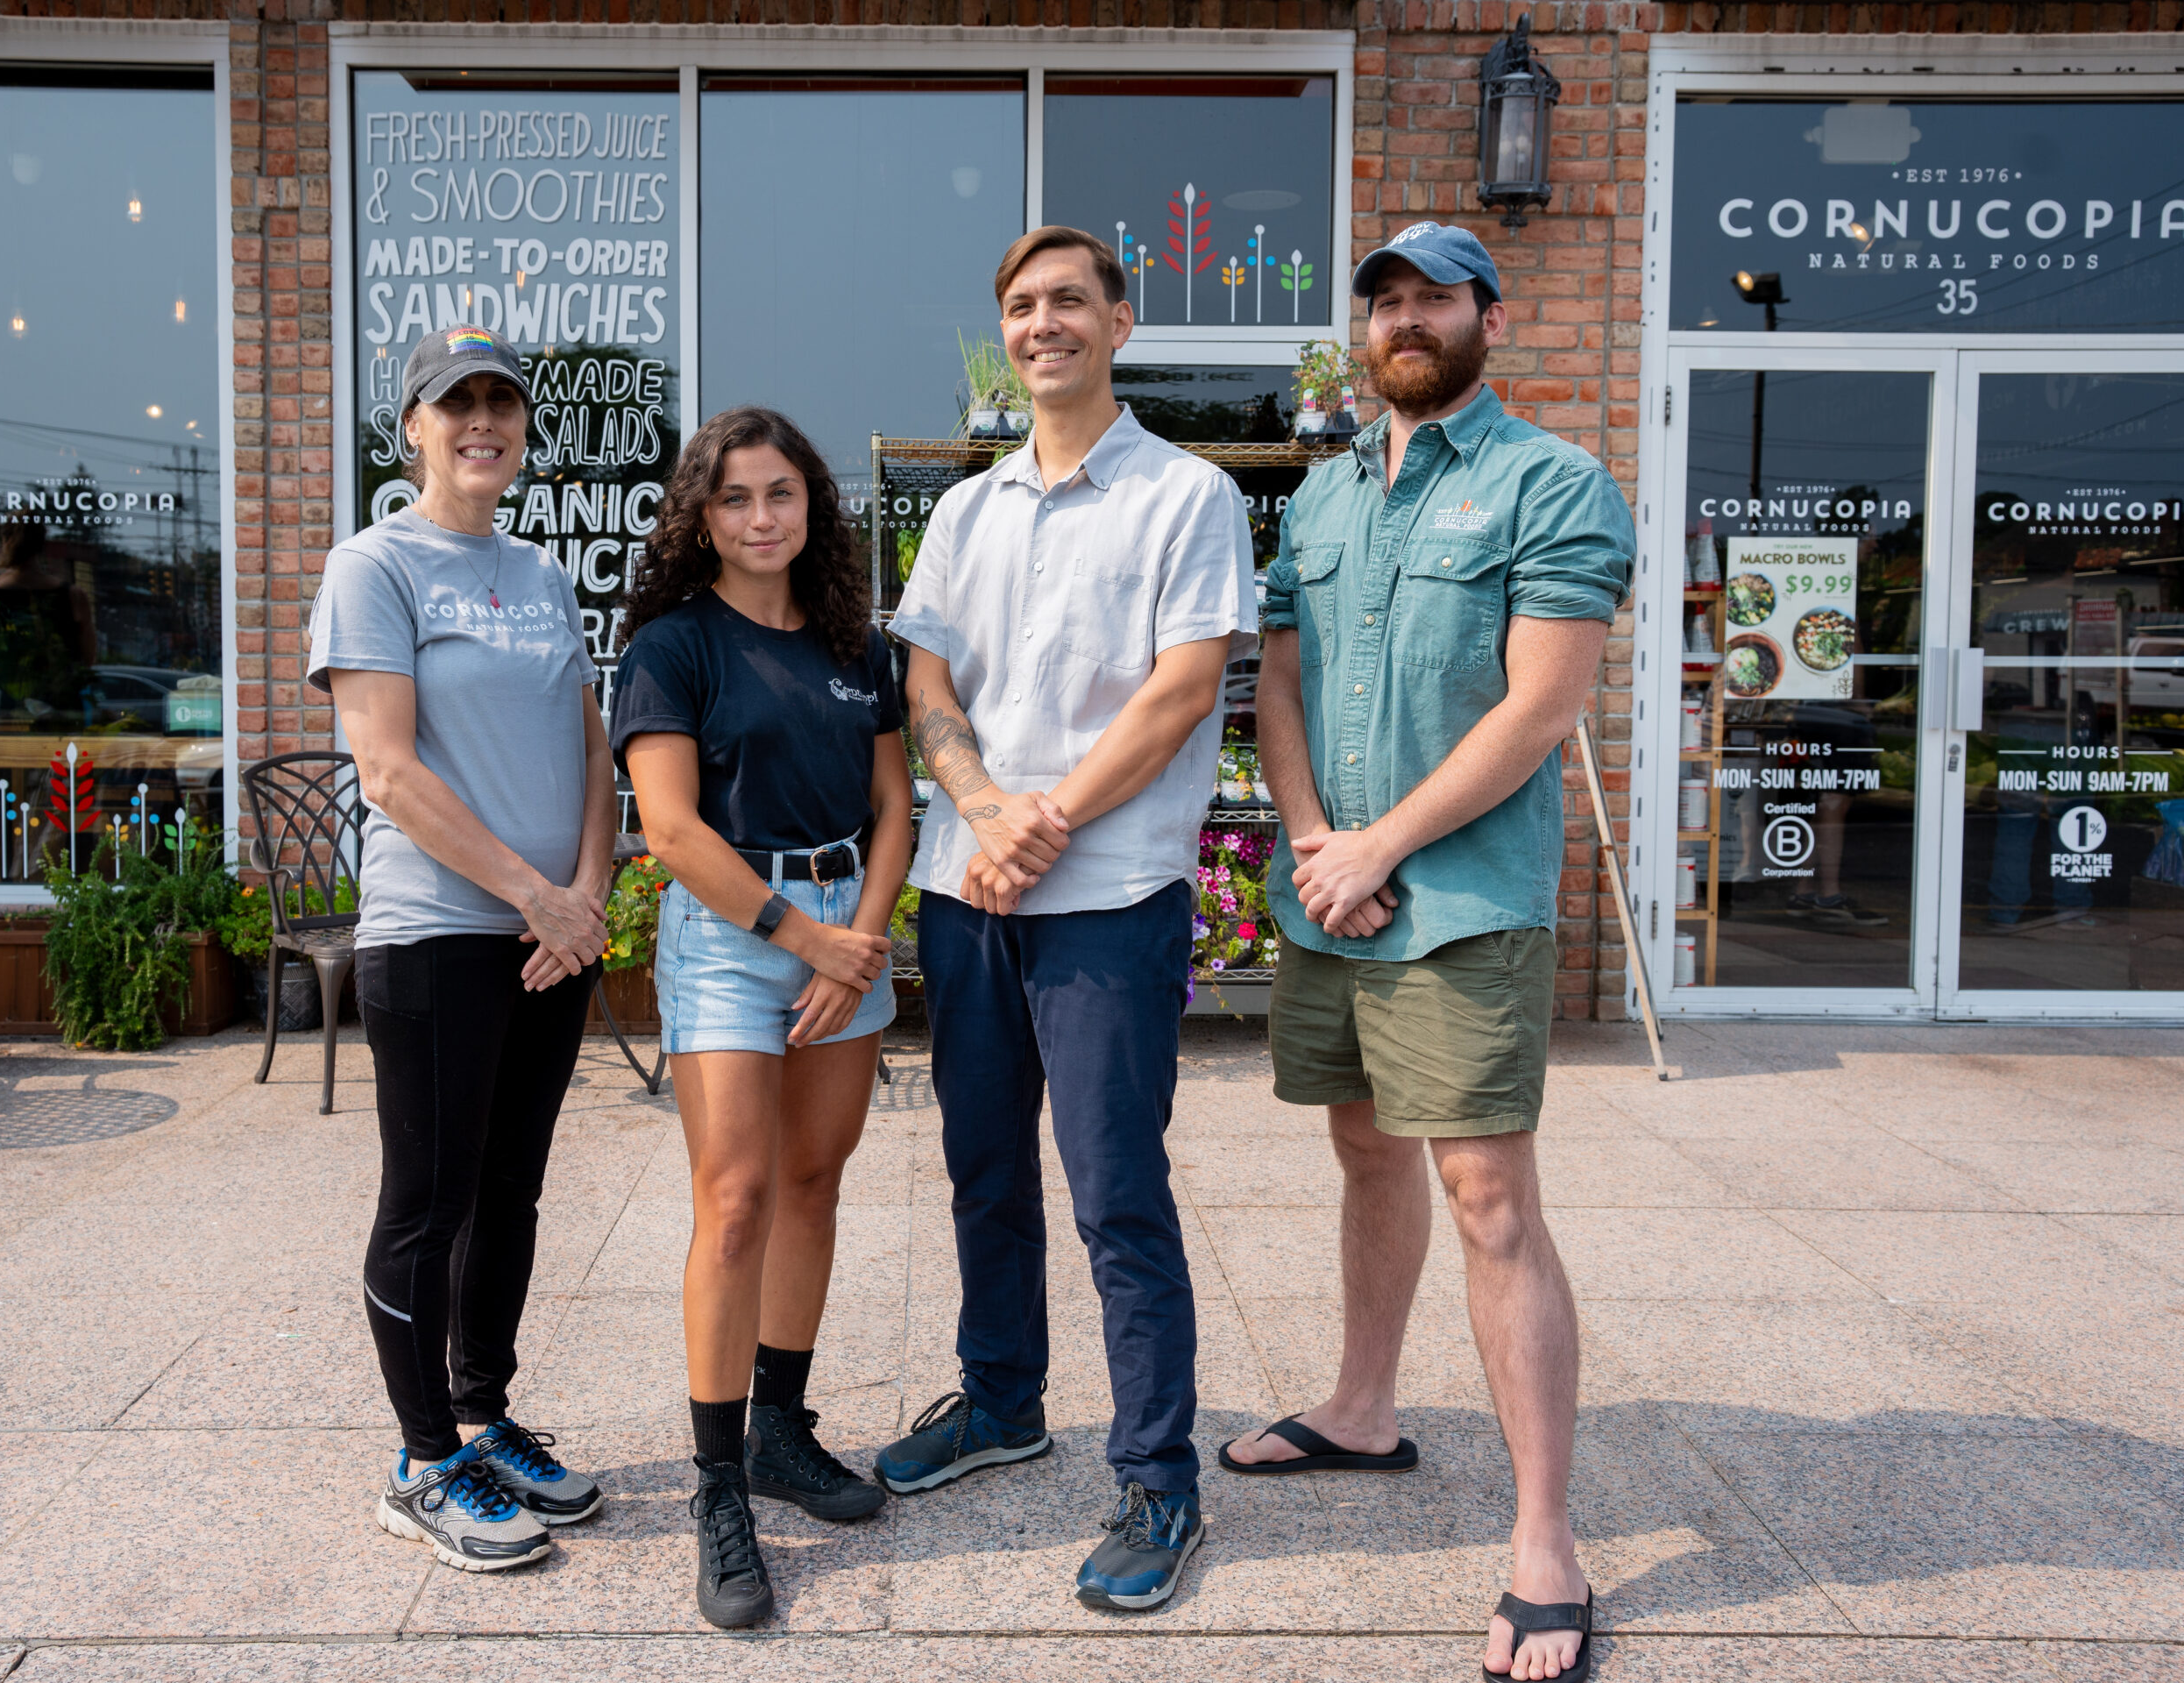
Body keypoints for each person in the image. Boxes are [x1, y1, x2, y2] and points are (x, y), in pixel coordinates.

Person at [1225, 223, 1633, 1683]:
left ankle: (1545, 1542)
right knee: (1363, 1147)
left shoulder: (1553, 485)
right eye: (1385, 300)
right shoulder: (1324, 498)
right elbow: (1275, 680)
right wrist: (1315, 838)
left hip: (1459, 901)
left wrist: (1379, 846)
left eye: (1433, 297)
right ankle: (1361, 1407)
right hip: (1335, 886)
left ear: (1489, 318)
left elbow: (1540, 709)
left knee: (1489, 1195)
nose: (1406, 319)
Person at [871, 226, 1255, 1614]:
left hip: (1106, 900)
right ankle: (1002, 1400)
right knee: (982, 1172)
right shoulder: (968, 513)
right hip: (971, 896)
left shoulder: (1187, 494)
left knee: (1115, 1198)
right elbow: (927, 682)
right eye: (1024, 307)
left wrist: (1049, 820)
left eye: (1071, 302)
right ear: (1006, 333)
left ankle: (1159, 1473)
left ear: (1121, 322)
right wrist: (982, 806)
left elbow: (1179, 689)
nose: (1047, 325)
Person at [308, 326, 616, 1573]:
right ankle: (421, 1460)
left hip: (549, 941)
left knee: (512, 1193)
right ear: (413, 432)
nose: (483, 421)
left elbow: (594, 750)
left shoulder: (543, 576)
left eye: (503, 404)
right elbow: (388, 769)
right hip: (439, 936)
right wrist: (532, 896)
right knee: (429, 1204)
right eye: (457, 405)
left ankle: (483, 1416)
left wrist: (585, 893)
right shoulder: (374, 566)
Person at [610, 407, 911, 1629]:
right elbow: (672, 831)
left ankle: (784, 1429)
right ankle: (719, 1484)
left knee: (813, 1184)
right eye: (733, 499)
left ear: (811, 506)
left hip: (850, 923)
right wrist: (803, 943)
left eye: (780, 493)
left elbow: (898, 804)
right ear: (701, 516)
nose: (759, 517)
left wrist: (861, 944)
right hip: (738, 937)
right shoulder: (675, 647)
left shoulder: (858, 642)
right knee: (735, 1199)